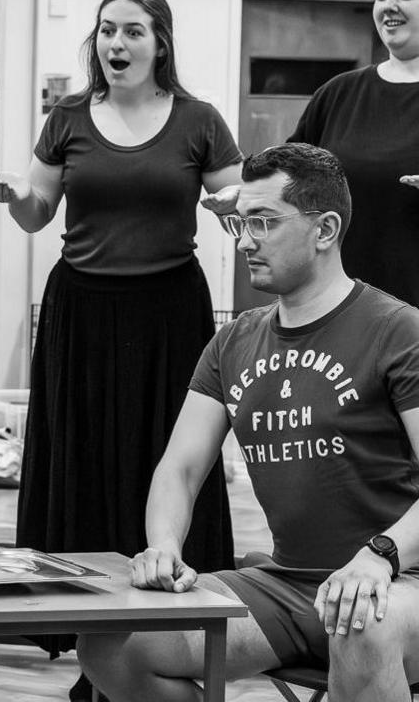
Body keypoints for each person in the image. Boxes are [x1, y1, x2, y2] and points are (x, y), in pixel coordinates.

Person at [80, 143, 419, 701]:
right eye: (241, 221)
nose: (244, 239)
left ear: (325, 229)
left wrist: (380, 555)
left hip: (399, 582)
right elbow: (181, 469)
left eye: (263, 221)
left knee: (360, 622)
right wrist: (163, 546)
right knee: (111, 641)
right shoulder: (233, 341)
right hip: (289, 586)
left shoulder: (396, 330)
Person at [0, 0, 240, 692]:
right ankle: (91, 643)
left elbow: (241, 201)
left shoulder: (199, 119)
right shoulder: (68, 117)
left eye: (131, 31)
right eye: (105, 31)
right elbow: (39, 214)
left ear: (160, 42)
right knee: (84, 460)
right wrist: (15, 201)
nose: (115, 44)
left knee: (167, 455)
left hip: (169, 315)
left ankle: (167, 630)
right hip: (84, 314)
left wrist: (229, 204)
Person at [288, 0, 419, 307]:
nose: (389, 5)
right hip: (340, 312)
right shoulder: (338, 94)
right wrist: (248, 194)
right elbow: (288, 178)